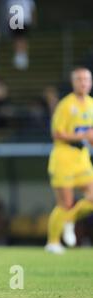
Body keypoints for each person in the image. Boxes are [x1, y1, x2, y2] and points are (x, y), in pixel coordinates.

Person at [46, 67, 93, 254]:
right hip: (63, 157)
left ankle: (68, 220)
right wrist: (83, 135)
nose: (83, 82)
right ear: (73, 82)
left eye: (86, 79)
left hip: (81, 158)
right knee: (65, 203)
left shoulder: (91, 104)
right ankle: (52, 242)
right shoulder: (65, 105)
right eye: (79, 79)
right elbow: (57, 133)